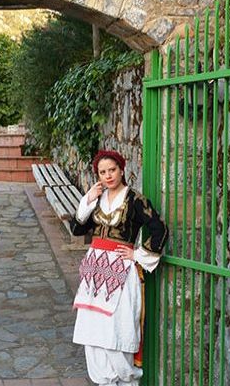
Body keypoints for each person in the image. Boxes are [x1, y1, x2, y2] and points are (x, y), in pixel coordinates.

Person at [69, 150, 168, 386]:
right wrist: (88, 199)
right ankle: (104, 381)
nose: (108, 176)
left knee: (117, 327)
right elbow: (76, 229)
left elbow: (159, 229)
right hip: (95, 272)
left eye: (112, 170)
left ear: (121, 169)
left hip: (121, 270)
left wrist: (138, 254)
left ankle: (125, 380)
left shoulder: (135, 200)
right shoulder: (97, 200)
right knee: (93, 331)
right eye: (102, 172)